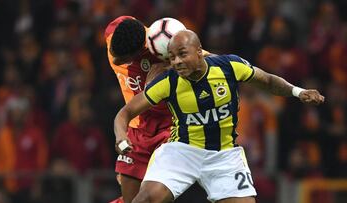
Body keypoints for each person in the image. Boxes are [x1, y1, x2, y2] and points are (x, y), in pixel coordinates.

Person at [114, 30, 325, 203]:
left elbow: (268, 81)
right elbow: (126, 113)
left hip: (224, 156)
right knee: (145, 200)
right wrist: (121, 137)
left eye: (182, 54)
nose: (177, 61)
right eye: (172, 57)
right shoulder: (168, 82)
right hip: (182, 152)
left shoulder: (230, 67)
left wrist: (298, 92)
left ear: (199, 52)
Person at [104, 16, 173, 203]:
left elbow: (203, 57)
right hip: (135, 128)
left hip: (167, 128)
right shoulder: (115, 29)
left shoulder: (161, 50)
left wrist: (171, 68)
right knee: (130, 200)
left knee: (155, 198)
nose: (115, 61)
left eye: (123, 60)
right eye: (112, 53)